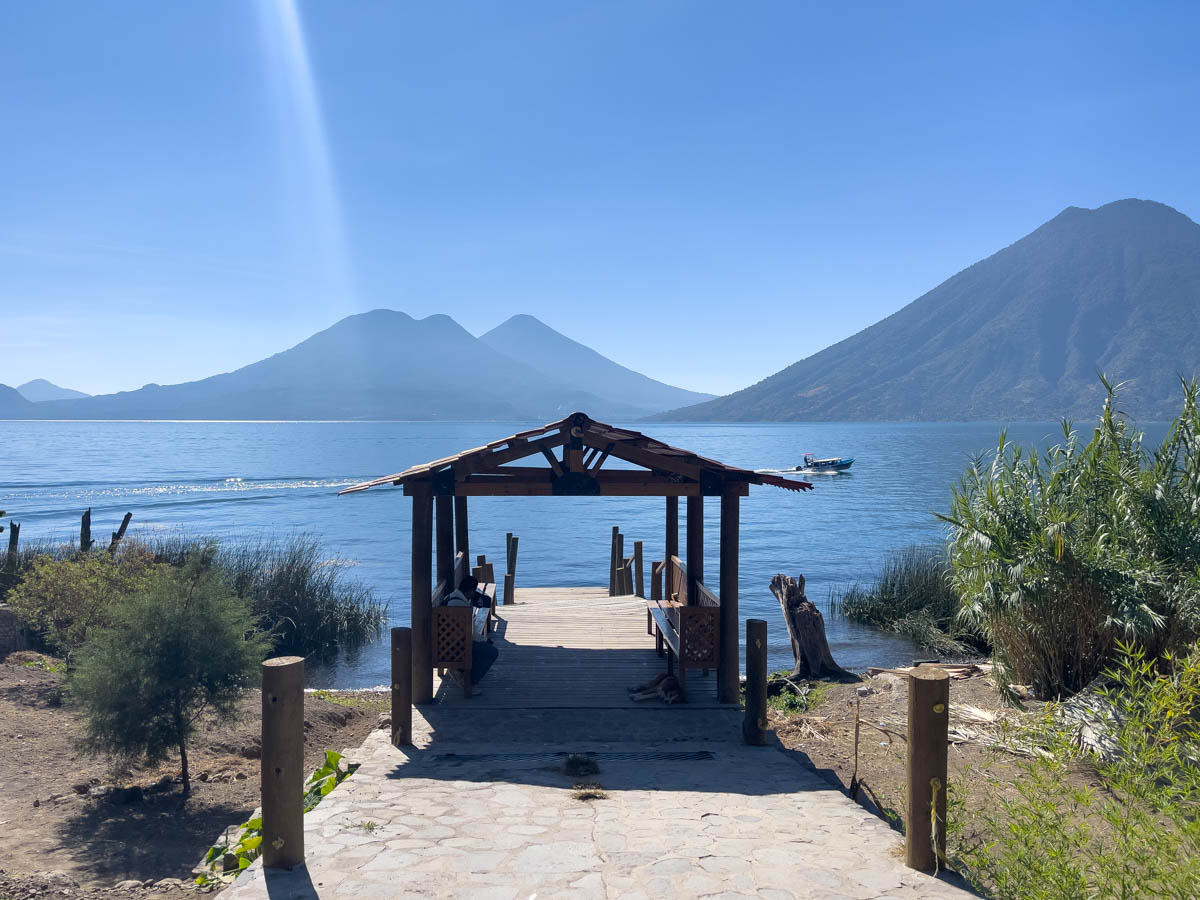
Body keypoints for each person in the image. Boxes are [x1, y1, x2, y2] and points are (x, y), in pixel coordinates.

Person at [441, 575, 499, 690]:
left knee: (482, 647)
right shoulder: (460, 606)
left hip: (446, 644)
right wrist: (485, 640)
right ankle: (468, 682)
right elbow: (468, 633)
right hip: (456, 646)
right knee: (491, 652)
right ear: (471, 590)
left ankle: (460, 671)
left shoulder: (451, 598)